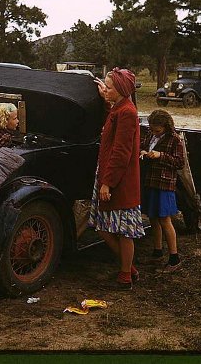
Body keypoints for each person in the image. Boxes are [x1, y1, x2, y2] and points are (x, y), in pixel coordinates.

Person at [89, 68, 145, 290]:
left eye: (109, 87)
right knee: (103, 226)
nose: (105, 89)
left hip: (120, 180)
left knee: (124, 231)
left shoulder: (128, 113)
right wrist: (106, 99)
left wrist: (108, 182)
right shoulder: (120, 108)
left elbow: (122, 152)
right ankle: (129, 268)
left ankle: (125, 275)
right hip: (109, 174)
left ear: (121, 90)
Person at [140, 109, 185, 273]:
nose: (154, 132)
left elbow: (180, 162)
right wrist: (143, 152)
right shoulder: (150, 135)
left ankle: (174, 258)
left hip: (164, 185)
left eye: (157, 130)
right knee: (153, 216)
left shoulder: (175, 139)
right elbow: (143, 146)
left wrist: (161, 156)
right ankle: (157, 251)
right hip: (150, 181)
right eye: (152, 129)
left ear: (166, 126)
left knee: (165, 219)